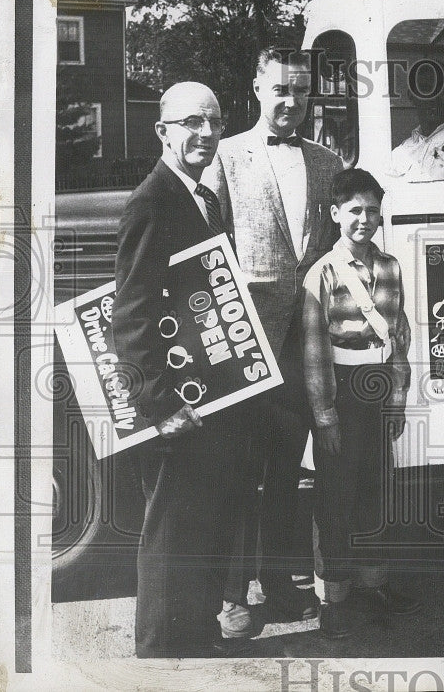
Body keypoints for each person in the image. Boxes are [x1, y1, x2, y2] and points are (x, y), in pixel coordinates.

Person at [204, 47, 345, 635]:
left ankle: (281, 587)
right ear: (257, 91)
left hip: (302, 341)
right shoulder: (226, 157)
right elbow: (206, 249)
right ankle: (233, 597)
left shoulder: (326, 160)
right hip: (246, 339)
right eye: (279, 90)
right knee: (241, 469)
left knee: (288, 469)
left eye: (300, 90)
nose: (291, 102)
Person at [113, 82, 251, 658]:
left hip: (207, 393)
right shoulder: (152, 200)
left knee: (201, 515)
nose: (205, 133)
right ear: (163, 131)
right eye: (191, 122)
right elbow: (132, 311)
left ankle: (194, 633)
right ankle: (163, 648)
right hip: (175, 402)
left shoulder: (202, 196)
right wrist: (159, 405)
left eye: (214, 122)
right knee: (171, 522)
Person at [300, 168, 418, 639]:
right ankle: (335, 600)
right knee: (336, 497)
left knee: (375, 490)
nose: (364, 220)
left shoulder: (389, 266)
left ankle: (374, 589)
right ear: (335, 214)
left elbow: (400, 337)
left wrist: (399, 396)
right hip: (340, 391)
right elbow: (314, 351)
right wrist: (325, 416)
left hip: (377, 389)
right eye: (354, 211)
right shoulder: (323, 273)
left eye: (372, 210)